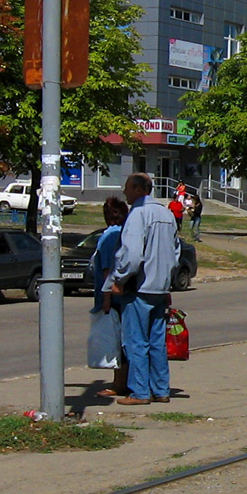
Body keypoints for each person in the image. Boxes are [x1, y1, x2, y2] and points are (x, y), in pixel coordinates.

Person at [110, 173, 180, 405]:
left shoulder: (138, 214)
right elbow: (176, 252)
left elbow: (132, 254)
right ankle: (161, 389)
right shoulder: (167, 213)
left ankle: (140, 392)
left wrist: (119, 279)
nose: (125, 193)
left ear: (139, 190)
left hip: (139, 286)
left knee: (136, 341)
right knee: (157, 340)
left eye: (128, 188)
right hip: (160, 286)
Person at [92, 196, 129, 397]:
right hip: (119, 296)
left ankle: (119, 383)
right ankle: (123, 381)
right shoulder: (122, 233)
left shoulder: (109, 236)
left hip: (112, 298)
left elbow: (108, 271)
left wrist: (105, 299)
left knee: (116, 342)